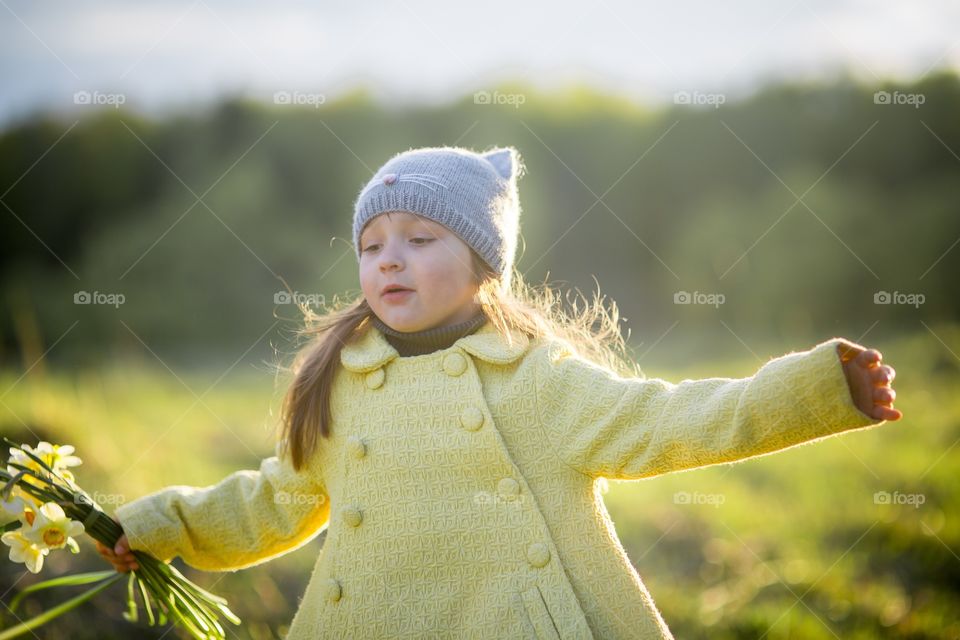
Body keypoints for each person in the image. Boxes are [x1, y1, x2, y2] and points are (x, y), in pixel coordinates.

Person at [96, 145, 901, 639]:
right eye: (372, 244)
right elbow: (273, 502)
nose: (389, 260)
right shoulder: (341, 384)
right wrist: (152, 526)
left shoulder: (535, 380)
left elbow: (667, 419)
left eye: (419, 238)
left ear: (484, 265)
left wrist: (814, 390)